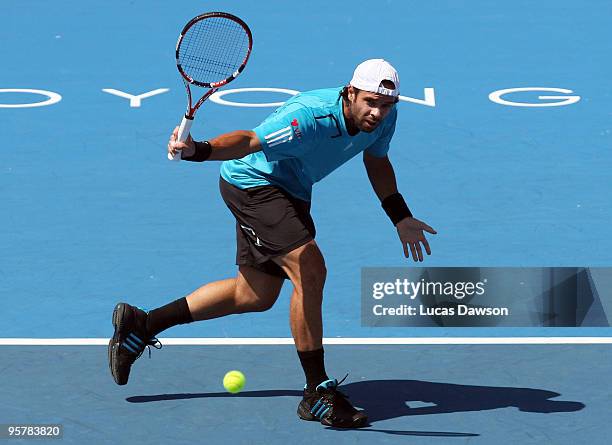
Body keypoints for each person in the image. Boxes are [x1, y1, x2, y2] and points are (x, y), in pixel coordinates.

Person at [108, 59, 436, 428]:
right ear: (350, 92)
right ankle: (318, 392)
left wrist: (400, 216)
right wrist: (197, 150)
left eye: (386, 105)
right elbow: (250, 140)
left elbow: (377, 161)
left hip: (293, 190)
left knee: (255, 296)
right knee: (309, 266)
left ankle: (143, 324)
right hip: (253, 184)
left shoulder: (385, 118)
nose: (377, 112)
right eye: (370, 102)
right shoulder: (307, 117)